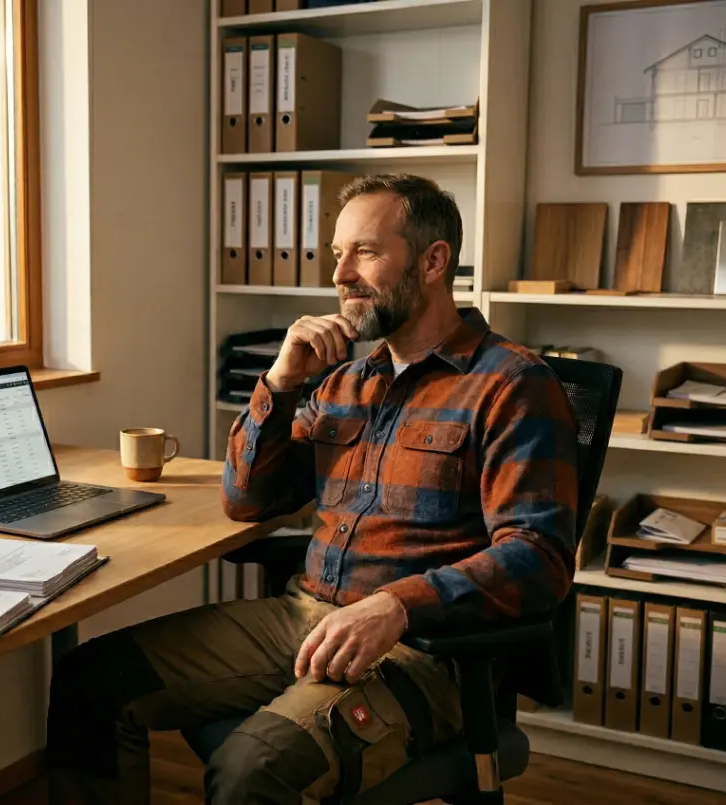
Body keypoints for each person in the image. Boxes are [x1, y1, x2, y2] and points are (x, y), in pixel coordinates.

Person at [46, 173, 579, 804]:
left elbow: (538, 557)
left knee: (251, 770)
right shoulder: (345, 381)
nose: (341, 275)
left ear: (435, 261)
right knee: (91, 681)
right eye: (337, 254)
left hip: (427, 652)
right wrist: (281, 380)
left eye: (366, 252)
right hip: (302, 617)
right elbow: (247, 500)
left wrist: (397, 604)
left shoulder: (512, 385)